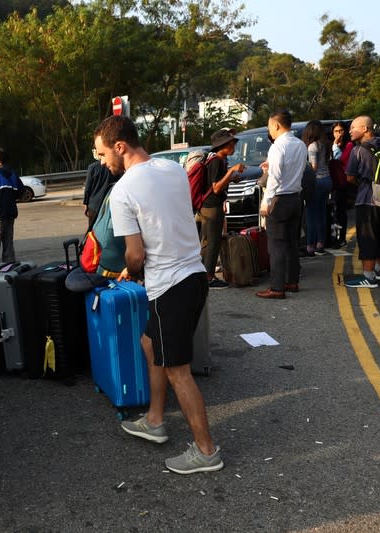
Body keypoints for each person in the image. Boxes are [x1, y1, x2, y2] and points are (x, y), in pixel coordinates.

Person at [94, 115, 223, 475]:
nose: (103, 162)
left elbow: (134, 255)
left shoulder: (121, 192)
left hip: (169, 286)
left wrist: (131, 270)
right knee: (150, 344)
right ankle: (154, 421)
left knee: (178, 371)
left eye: (103, 154)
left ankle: (206, 451)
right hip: (194, 275)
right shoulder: (172, 169)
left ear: (120, 147)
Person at [344, 115, 380, 288]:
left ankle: (368, 277)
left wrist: (363, 184)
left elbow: (350, 177)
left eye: (353, 127)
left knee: (367, 237)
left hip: (367, 199)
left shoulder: (358, 150)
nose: (350, 131)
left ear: (365, 129)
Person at [256, 110, 307, 299]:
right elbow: (297, 169)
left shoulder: (278, 146)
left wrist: (265, 201)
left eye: (270, 126)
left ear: (276, 125)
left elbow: (275, 177)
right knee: (292, 242)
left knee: (276, 244)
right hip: (295, 197)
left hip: (280, 199)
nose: (270, 130)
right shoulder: (300, 144)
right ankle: (292, 281)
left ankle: (277, 287)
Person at [197, 129, 246, 289]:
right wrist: (232, 171)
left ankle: (203, 275)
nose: (233, 145)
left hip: (209, 206)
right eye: (230, 143)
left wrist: (231, 178)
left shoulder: (220, 160)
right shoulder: (216, 161)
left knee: (207, 242)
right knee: (213, 242)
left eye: (233, 142)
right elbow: (216, 188)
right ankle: (209, 278)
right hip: (211, 207)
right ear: (222, 145)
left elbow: (218, 183)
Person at [0, 148, 23, 263]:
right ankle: (9, 272)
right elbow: (20, 192)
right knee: (8, 247)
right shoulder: (12, 174)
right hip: (10, 216)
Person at [301, 121, 333, 256]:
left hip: (317, 182)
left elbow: (313, 167)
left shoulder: (312, 147)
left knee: (311, 214)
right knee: (321, 213)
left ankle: (310, 245)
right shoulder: (324, 144)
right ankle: (321, 242)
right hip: (327, 180)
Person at [83, 148, 122, 231]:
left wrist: (85, 203)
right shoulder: (114, 167)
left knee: (92, 229)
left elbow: (88, 188)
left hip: (94, 205)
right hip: (109, 204)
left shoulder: (92, 167)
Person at [330, 121, 353, 248]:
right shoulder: (330, 145)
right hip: (333, 182)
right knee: (333, 212)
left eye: (341, 131)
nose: (338, 134)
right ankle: (334, 237)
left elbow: (341, 160)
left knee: (341, 211)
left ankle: (342, 238)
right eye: (336, 131)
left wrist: (335, 145)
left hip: (343, 183)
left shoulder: (349, 145)